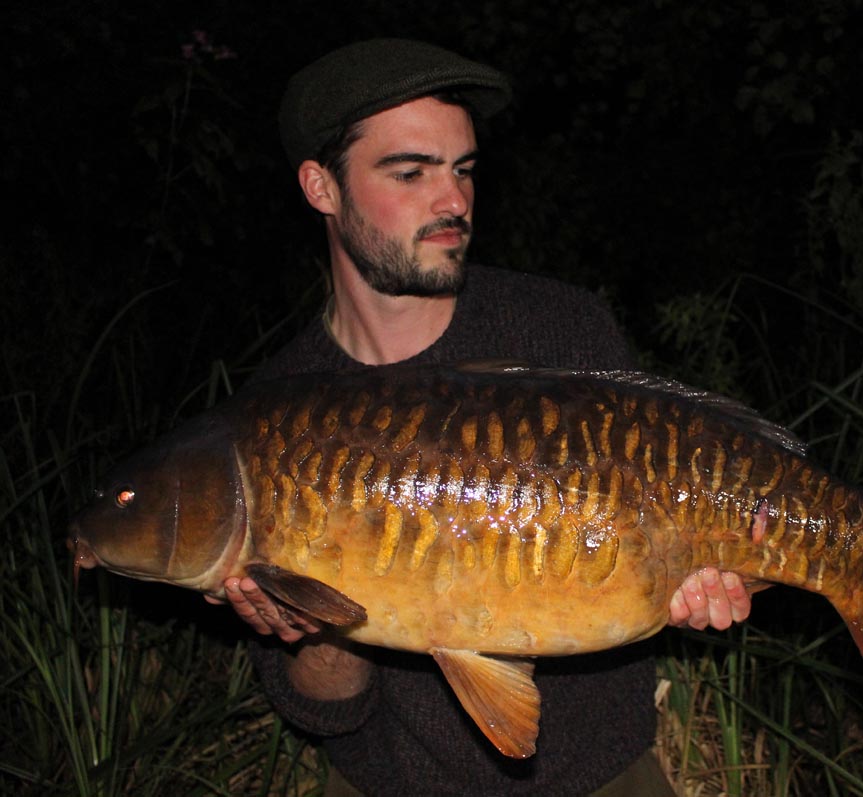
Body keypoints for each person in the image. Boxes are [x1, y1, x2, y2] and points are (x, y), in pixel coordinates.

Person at [210, 39, 753, 796]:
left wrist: (695, 575)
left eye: (462, 170)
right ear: (321, 187)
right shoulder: (275, 413)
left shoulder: (559, 328)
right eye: (411, 173)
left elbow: (672, 500)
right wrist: (322, 619)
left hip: (597, 774)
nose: (454, 202)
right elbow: (326, 709)